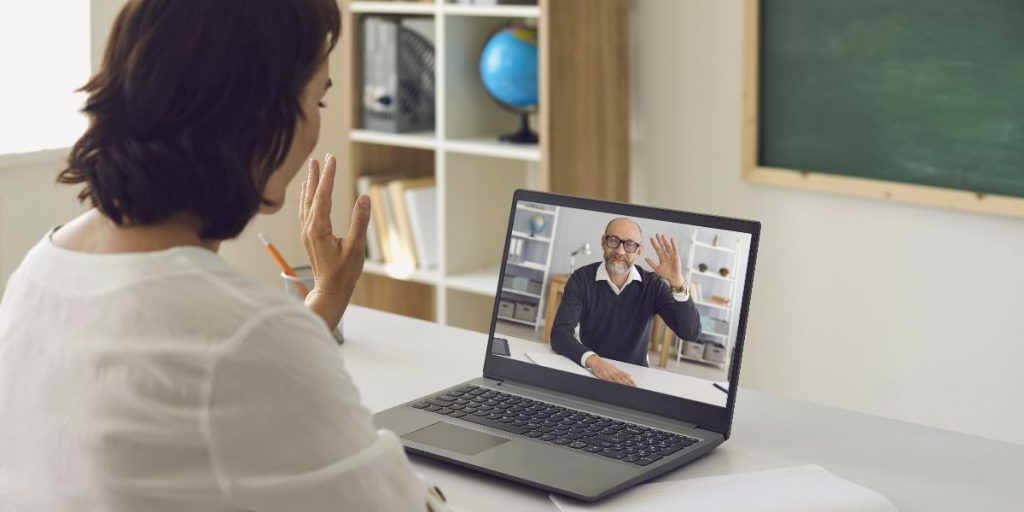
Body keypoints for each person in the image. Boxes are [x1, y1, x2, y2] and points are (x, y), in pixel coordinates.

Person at [0, 1, 450, 510]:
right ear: (262, 112)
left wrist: (323, 302)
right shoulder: (239, 334)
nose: (314, 129)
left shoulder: (41, 269)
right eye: (317, 103)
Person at [550, 218, 701, 387]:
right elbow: (559, 334)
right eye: (613, 240)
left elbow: (690, 332)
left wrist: (677, 282)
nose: (620, 251)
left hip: (634, 377)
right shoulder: (581, 279)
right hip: (590, 370)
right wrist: (594, 362)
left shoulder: (653, 285)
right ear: (603, 242)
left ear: (639, 251)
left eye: (629, 244)